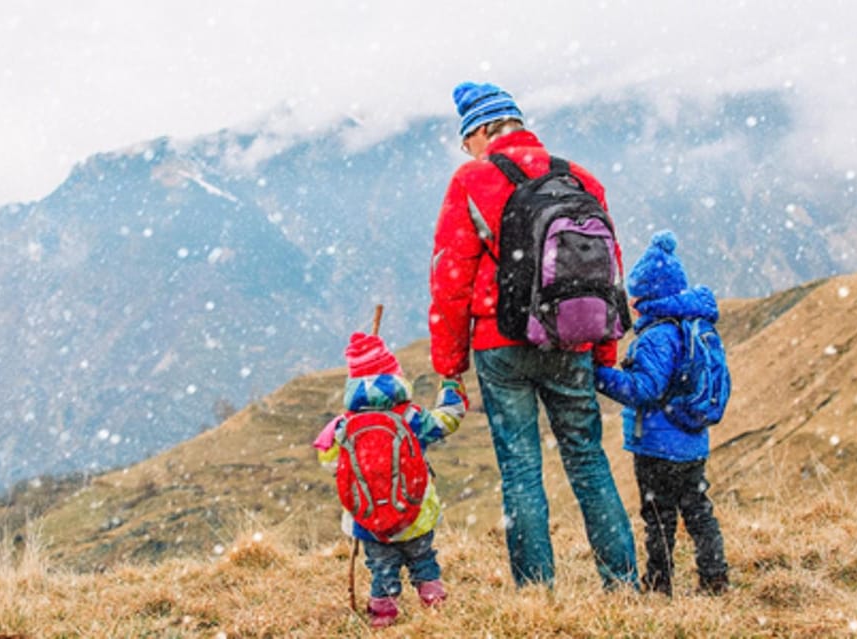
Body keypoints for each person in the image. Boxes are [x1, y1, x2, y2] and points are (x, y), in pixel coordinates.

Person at [428, 81, 637, 590]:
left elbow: (449, 279)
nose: (468, 150)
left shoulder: (472, 179)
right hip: (571, 339)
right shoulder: (579, 178)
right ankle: (624, 584)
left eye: (467, 140)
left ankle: (537, 593)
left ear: (479, 131)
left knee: (521, 471)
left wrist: (450, 365)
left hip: (502, 346)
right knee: (588, 460)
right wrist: (603, 352)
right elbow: (606, 272)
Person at [595, 230, 730, 597]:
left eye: (637, 296)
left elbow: (644, 389)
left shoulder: (657, 335)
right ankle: (715, 578)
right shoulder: (693, 326)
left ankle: (658, 584)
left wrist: (600, 376)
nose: (633, 303)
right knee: (699, 512)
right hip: (692, 442)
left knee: (658, 519)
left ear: (649, 296)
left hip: (657, 445)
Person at [313, 331, 468, 628]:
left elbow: (329, 462)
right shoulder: (411, 417)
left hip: (369, 520)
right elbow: (447, 419)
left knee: (381, 568)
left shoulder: (345, 426)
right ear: (395, 378)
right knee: (423, 560)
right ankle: (434, 605)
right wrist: (451, 388)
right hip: (416, 513)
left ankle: (383, 615)